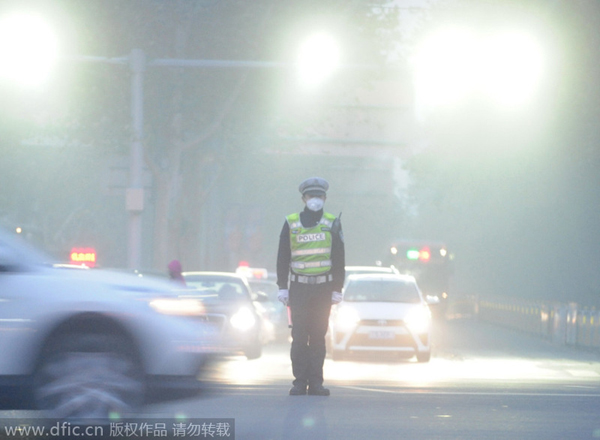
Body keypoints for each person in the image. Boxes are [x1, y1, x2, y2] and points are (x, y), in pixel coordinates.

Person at [276, 177, 345, 396]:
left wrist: (337, 288)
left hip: (323, 290)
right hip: (299, 289)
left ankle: (316, 383)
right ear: (303, 198)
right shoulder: (291, 222)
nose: (315, 200)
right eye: (311, 196)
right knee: (298, 336)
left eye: (319, 196)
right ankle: (299, 382)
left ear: (324, 198)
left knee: (318, 336)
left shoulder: (333, 222)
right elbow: (283, 256)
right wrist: (282, 286)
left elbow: (339, 258)